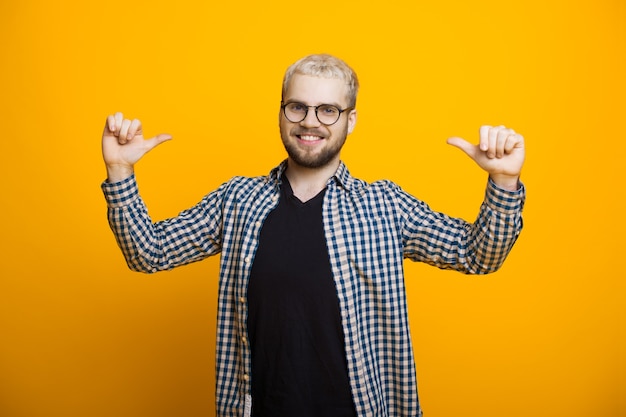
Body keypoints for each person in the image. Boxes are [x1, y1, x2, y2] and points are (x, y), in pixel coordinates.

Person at [101, 54, 525, 417]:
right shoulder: (237, 200)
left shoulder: (384, 206)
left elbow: (476, 255)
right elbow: (149, 252)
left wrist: (504, 182)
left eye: (327, 110)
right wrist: (120, 171)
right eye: (297, 107)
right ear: (281, 111)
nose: (310, 122)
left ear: (350, 119)